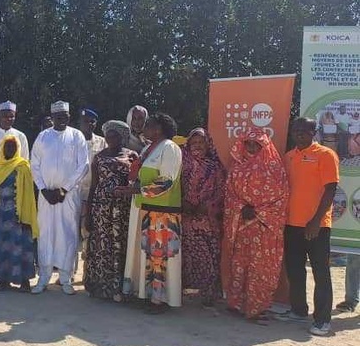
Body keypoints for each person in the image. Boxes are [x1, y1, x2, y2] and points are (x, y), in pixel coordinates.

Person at [279, 117, 339, 336]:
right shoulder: (288, 157)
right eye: (296, 130)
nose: (300, 133)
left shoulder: (325, 155)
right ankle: (298, 309)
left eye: (305, 130)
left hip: (317, 226)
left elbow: (331, 189)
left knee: (320, 272)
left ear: (314, 131)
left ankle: (323, 320)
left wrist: (315, 221)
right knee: (295, 270)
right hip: (291, 224)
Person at [118, 113, 183, 313]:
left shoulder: (170, 148)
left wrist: (137, 190)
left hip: (162, 213)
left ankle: (159, 300)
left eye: (149, 125)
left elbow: (167, 181)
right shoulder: (148, 149)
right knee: (145, 255)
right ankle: (144, 294)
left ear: (159, 129)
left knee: (159, 256)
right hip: (143, 208)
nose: (144, 128)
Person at [223, 128, 289, 323]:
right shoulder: (237, 168)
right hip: (242, 227)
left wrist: (258, 213)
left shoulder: (276, 170)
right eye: (248, 143)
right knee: (239, 266)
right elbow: (229, 195)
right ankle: (236, 304)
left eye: (256, 144)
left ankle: (256, 309)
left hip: (265, 229)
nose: (252, 147)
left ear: (264, 146)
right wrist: (241, 208)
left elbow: (282, 198)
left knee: (261, 269)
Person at [30, 101, 89, 295]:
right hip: (46, 196)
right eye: (58, 116)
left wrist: (65, 188)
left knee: (68, 234)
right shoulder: (43, 137)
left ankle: (65, 279)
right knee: (46, 234)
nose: (61, 119)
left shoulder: (76, 136)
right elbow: (34, 164)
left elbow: (83, 165)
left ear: (69, 117)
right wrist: (43, 189)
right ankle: (43, 278)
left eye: (64, 116)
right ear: (52, 117)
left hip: (68, 197)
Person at [83, 120, 134, 301]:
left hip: (122, 210)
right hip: (101, 210)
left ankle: (119, 288)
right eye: (108, 136)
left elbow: (135, 183)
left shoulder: (132, 156)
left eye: (115, 136)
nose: (111, 139)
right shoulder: (98, 157)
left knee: (120, 245)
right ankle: (100, 286)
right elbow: (94, 186)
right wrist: (88, 214)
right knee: (101, 246)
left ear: (122, 137)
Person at [180, 128, 226, 308]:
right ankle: (186, 290)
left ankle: (209, 294)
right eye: (194, 143)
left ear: (208, 145)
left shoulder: (216, 166)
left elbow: (222, 191)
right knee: (186, 256)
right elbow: (174, 184)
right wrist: (184, 202)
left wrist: (206, 206)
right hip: (186, 217)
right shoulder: (182, 163)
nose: (197, 146)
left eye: (201, 142)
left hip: (207, 220)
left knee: (209, 256)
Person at [0, 134, 38, 291]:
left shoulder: (23, 166)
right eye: (7, 146)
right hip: (3, 212)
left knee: (21, 245)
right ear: (2, 149)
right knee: (4, 245)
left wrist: (26, 211)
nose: (10, 149)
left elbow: (30, 192)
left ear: (18, 149)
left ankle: (24, 281)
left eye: (13, 147)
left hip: (20, 212)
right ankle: (3, 280)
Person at [78, 108, 107, 280]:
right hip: (74, 191)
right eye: (85, 121)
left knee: (89, 232)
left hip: (93, 192)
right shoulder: (74, 139)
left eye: (92, 121)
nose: (89, 124)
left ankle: (87, 271)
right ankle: (68, 271)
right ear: (79, 123)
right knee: (72, 233)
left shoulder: (102, 142)